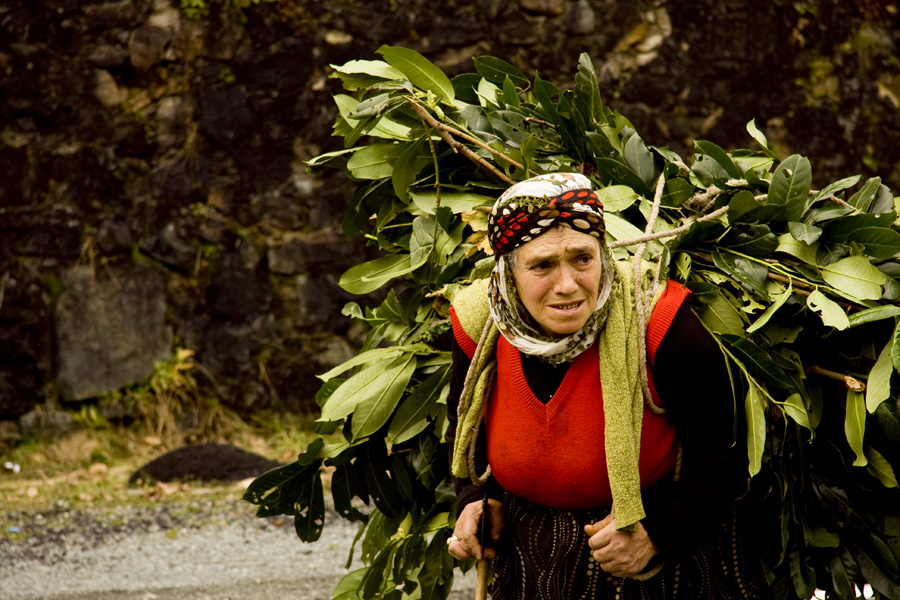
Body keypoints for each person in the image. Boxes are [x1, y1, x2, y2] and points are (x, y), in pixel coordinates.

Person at [444, 173, 767, 600]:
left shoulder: (660, 327)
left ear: (603, 255)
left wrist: (657, 534)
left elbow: (726, 452)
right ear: (507, 273)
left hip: (659, 561)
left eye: (582, 258)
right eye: (542, 265)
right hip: (530, 559)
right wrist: (475, 499)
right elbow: (465, 427)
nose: (567, 285)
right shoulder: (477, 325)